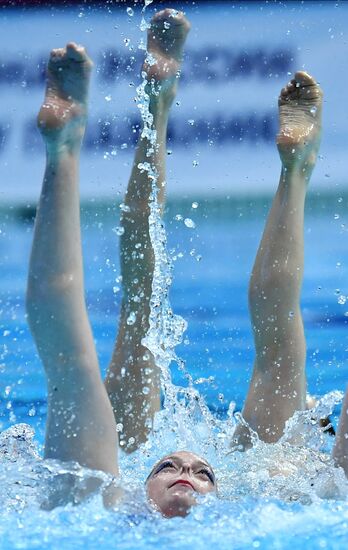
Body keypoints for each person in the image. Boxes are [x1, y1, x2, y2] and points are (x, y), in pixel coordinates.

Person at [25, 8, 348, 518]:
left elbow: (59, 326)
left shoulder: (101, 507)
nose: (186, 472)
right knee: (270, 358)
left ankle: (66, 146)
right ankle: (293, 169)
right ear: (140, 488)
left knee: (115, 331)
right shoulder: (118, 501)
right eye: (178, 468)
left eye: (199, 472)